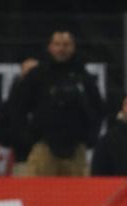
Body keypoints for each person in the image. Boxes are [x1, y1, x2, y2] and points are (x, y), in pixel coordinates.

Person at [14, 31, 105, 176]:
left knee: (76, 196)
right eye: (57, 44)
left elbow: (98, 108)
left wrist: (90, 137)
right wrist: (27, 137)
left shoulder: (83, 76)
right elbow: (18, 107)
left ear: (73, 47)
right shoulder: (37, 75)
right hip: (43, 148)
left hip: (76, 150)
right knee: (40, 195)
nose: (61, 49)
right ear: (50, 47)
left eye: (66, 45)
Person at [0, 58, 38, 176]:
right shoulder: (11, 104)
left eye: (35, 72)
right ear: (22, 75)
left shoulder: (51, 100)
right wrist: (19, 142)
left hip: (51, 161)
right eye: (28, 73)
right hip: (23, 161)